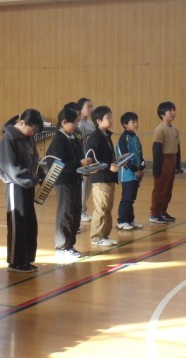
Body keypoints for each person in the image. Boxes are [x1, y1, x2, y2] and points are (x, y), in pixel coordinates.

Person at [0, 109, 44, 273]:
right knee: (18, 223)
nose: (33, 133)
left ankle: (26, 258)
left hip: (28, 184)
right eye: (32, 129)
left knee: (29, 223)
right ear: (22, 123)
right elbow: (10, 167)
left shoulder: (27, 137)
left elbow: (34, 159)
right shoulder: (8, 139)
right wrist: (31, 178)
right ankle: (16, 262)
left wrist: (40, 174)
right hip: (15, 186)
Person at [46, 107, 92, 258]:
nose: (77, 125)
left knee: (75, 212)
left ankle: (70, 244)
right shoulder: (58, 141)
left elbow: (79, 159)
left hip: (75, 179)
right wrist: (80, 163)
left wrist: (87, 165)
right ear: (64, 122)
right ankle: (62, 246)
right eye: (75, 122)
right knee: (65, 213)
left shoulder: (73, 137)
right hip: (64, 182)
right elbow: (58, 165)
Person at [86, 106, 120, 246]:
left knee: (108, 208)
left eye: (111, 117)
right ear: (99, 121)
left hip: (109, 177)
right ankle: (96, 237)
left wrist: (116, 163)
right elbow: (92, 159)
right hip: (100, 178)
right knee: (101, 208)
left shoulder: (106, 135)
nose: (111, 120)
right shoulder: (94, 137)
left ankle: (105, 235)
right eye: (108, 117)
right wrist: (107, 166)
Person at [150, 101, 180, 224]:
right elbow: (156, 149)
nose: (173, 112)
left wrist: (177, 165)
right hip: (164, 160)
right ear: (162, 114)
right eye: (170, 110)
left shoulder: (175, 129)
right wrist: (157, 168)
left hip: (172, 159)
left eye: (173, 110)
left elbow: (178, 148)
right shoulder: (160, 129)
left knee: (168, 189)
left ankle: (163, 211)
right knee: (160, 188)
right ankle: (155, 213)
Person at [115, 112, 145, 230]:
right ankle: (121, 221)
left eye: (137, 121)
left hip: (136, 174)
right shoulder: (124, 138)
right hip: (127, 174)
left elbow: (140, 155)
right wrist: (134, 170)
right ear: (125, 124)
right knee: (126, 198)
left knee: (131, 198)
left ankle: (130, 220)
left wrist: (141, 168)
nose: (136, 124)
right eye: (133, 122)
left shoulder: (135, 138)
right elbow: (124, 158)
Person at [77, 97, 95, 223]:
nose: (91, 109)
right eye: (88, 107)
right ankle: (80, 211)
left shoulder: (91, 124)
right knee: (82, 187)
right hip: (83, 161)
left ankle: (83, 210)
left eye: (91, 107)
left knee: (88, 187)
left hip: (90, 161)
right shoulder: (79, 125)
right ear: (81, 109)